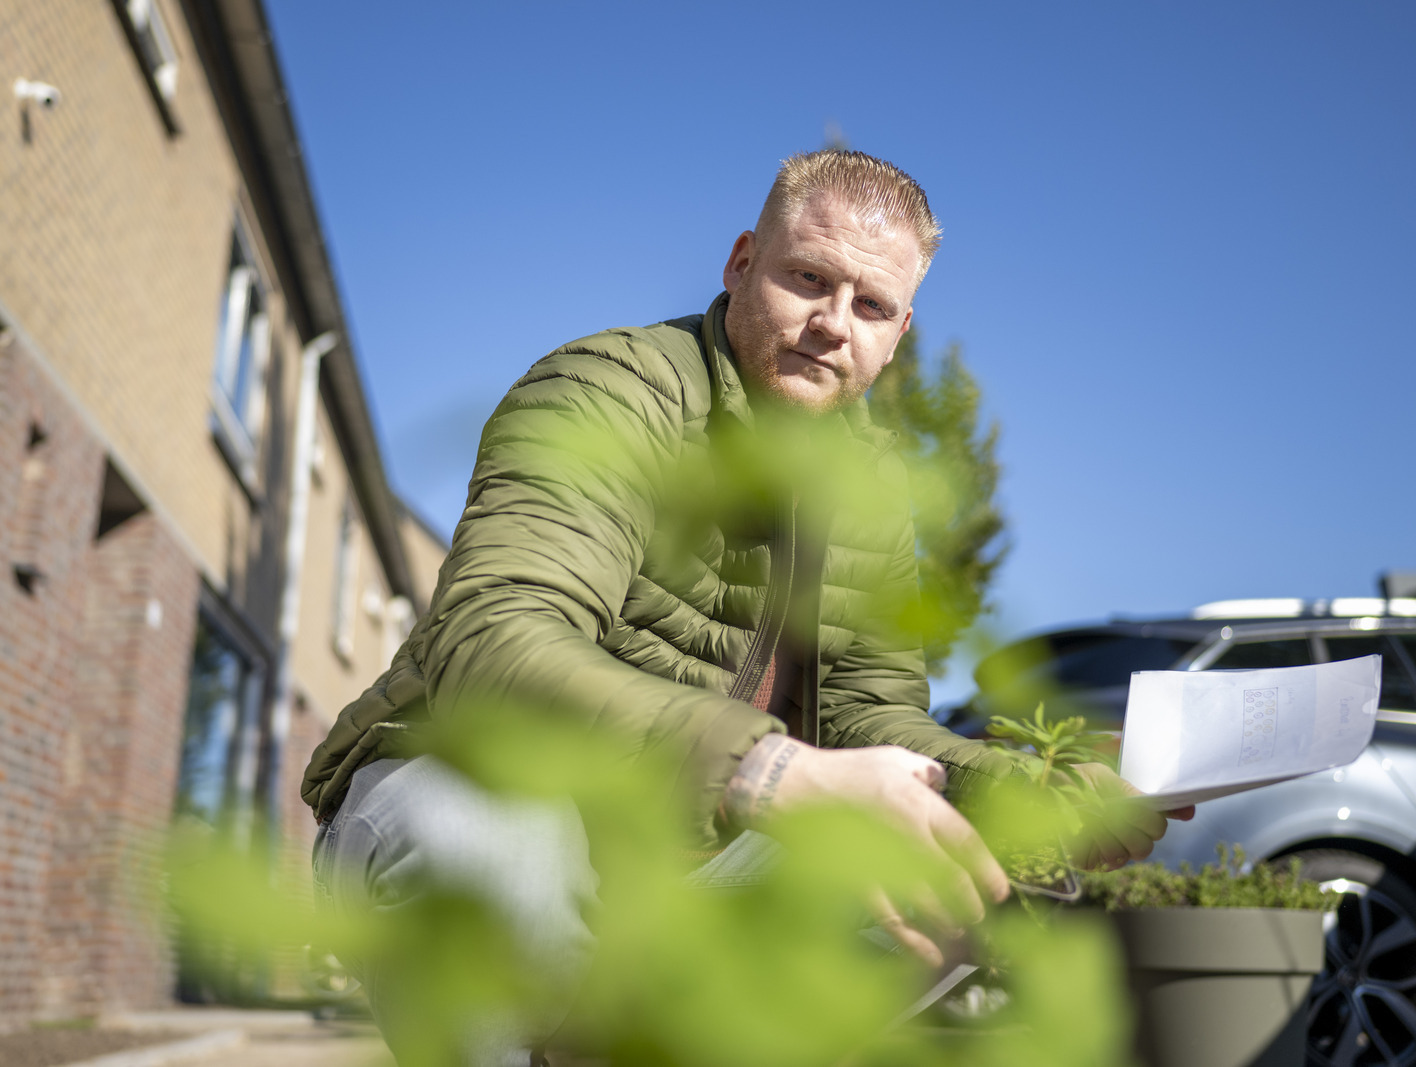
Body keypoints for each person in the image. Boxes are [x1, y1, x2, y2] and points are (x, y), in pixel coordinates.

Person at [303, 149, 1187, 1066]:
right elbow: (494, 640)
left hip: (680, 866)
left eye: (872, 306)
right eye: (809, 278)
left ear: (901, 331)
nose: (833, 325)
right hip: (465, 798)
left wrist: (1020, 793)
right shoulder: (611, 390)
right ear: (739, 265)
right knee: (487, 845)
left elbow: (869, 718)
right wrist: (767, 772)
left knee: (939, 870)